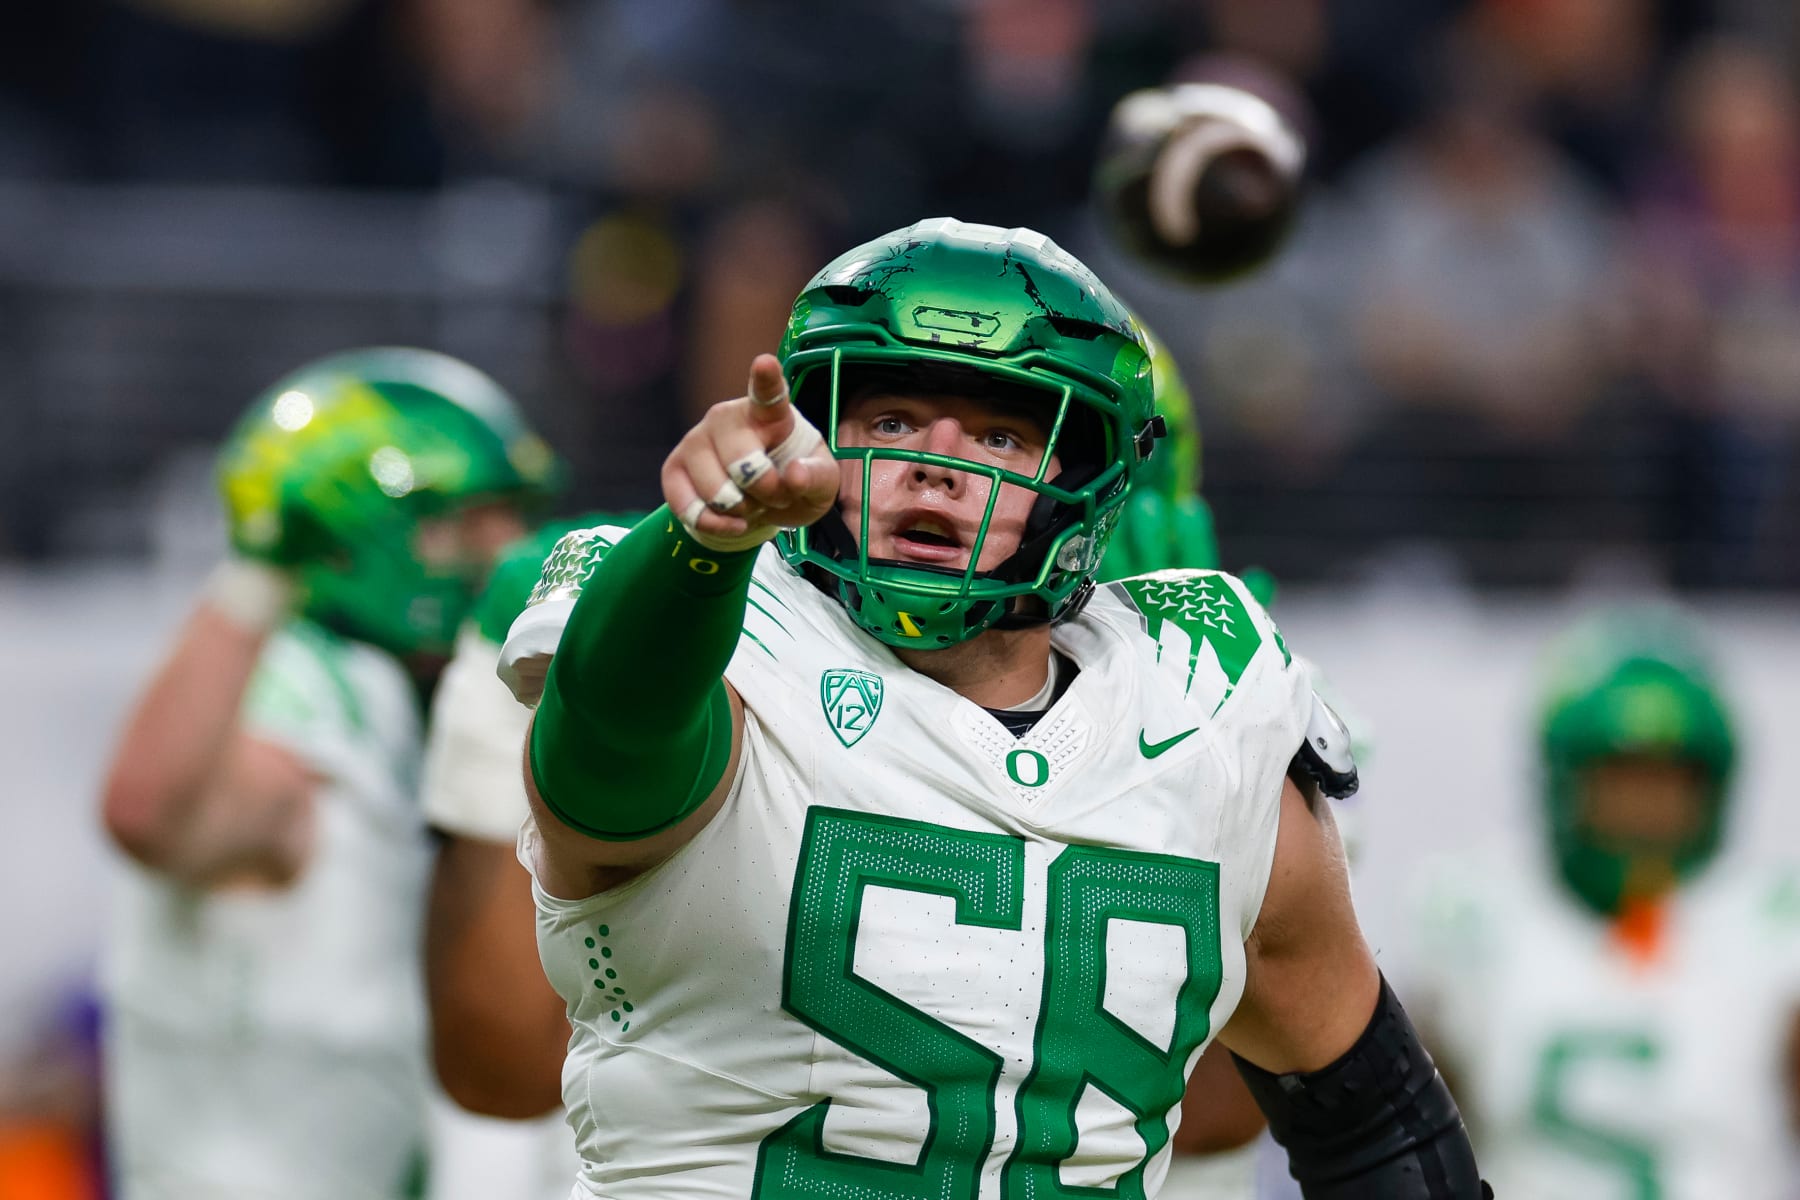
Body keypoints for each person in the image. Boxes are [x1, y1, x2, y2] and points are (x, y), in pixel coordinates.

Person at [497, 217, 1488, 1198]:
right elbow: (612, 744)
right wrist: (697, 551)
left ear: (1084, 480)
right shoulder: (713, 650)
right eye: (892, 420)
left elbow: (1373, 1122)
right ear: (815, 433)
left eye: (1001, 436)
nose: (937, 462)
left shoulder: (1200, 698)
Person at [98, 347, 561, 1200]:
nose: (505, 546)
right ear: (351, 531)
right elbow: (153, 812)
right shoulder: (308, 680)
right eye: (467, 519)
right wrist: (259, 572)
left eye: (511, 515)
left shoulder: (423, 698)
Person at [1408, 607, 1800, 1200]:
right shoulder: (1473, 911)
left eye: (1670, 783)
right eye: (1622, 780)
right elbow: (1405, 1145)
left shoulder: (1768, 919)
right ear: (1567, 782)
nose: (1646, 811)